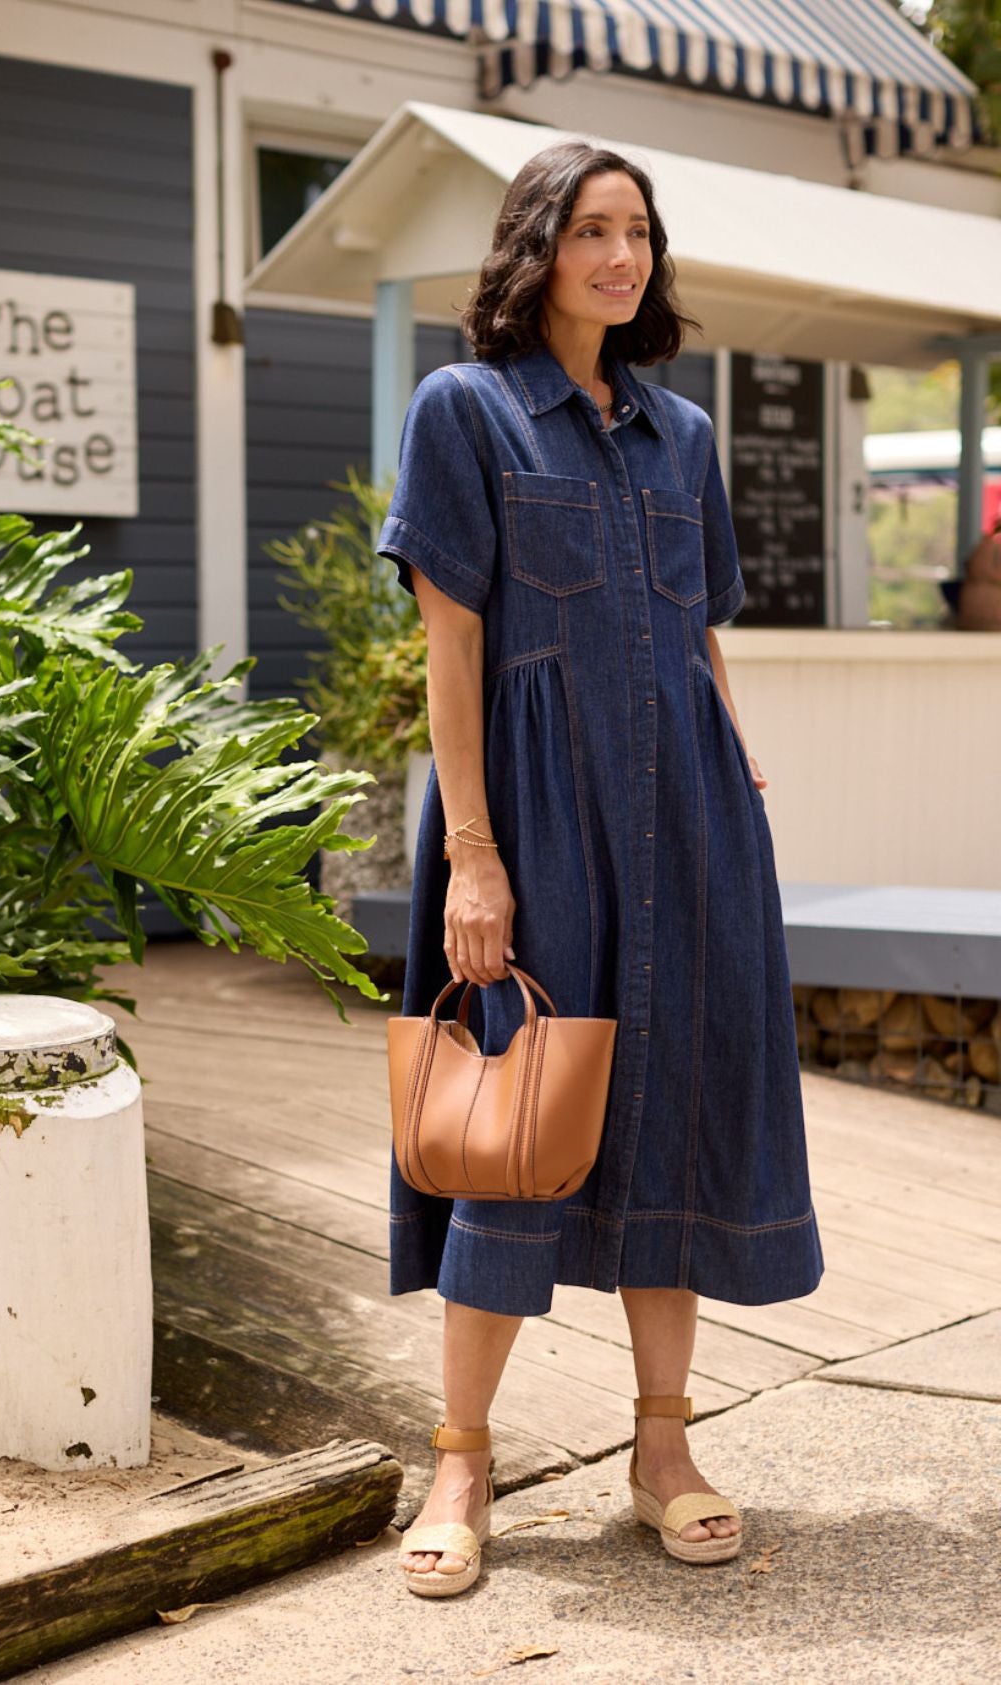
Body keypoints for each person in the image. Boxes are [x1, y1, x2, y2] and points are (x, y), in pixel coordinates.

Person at [376, 138, 825, 1598]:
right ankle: (462, 1456)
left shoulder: (683, 438)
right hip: (545, 828)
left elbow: (702, 636)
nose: (620, 258)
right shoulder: (467, 413)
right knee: (517, 1118)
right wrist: (473, 857)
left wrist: (741, 774)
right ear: (535, 250)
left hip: (693, 821)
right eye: (591, 231)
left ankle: (663, 1446)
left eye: (638, 232)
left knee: (673, 1115)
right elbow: (452, 648)